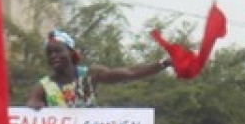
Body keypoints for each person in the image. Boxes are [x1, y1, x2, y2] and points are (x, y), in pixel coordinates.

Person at [26, 30, 169, 108]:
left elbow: (130, 73)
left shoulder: (89, 75)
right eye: (49, 53)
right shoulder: (44, 85)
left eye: (58, 51)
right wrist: (35, 105)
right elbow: (32, 103)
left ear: (70, 52)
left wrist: (163, 63)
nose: (53, 56)